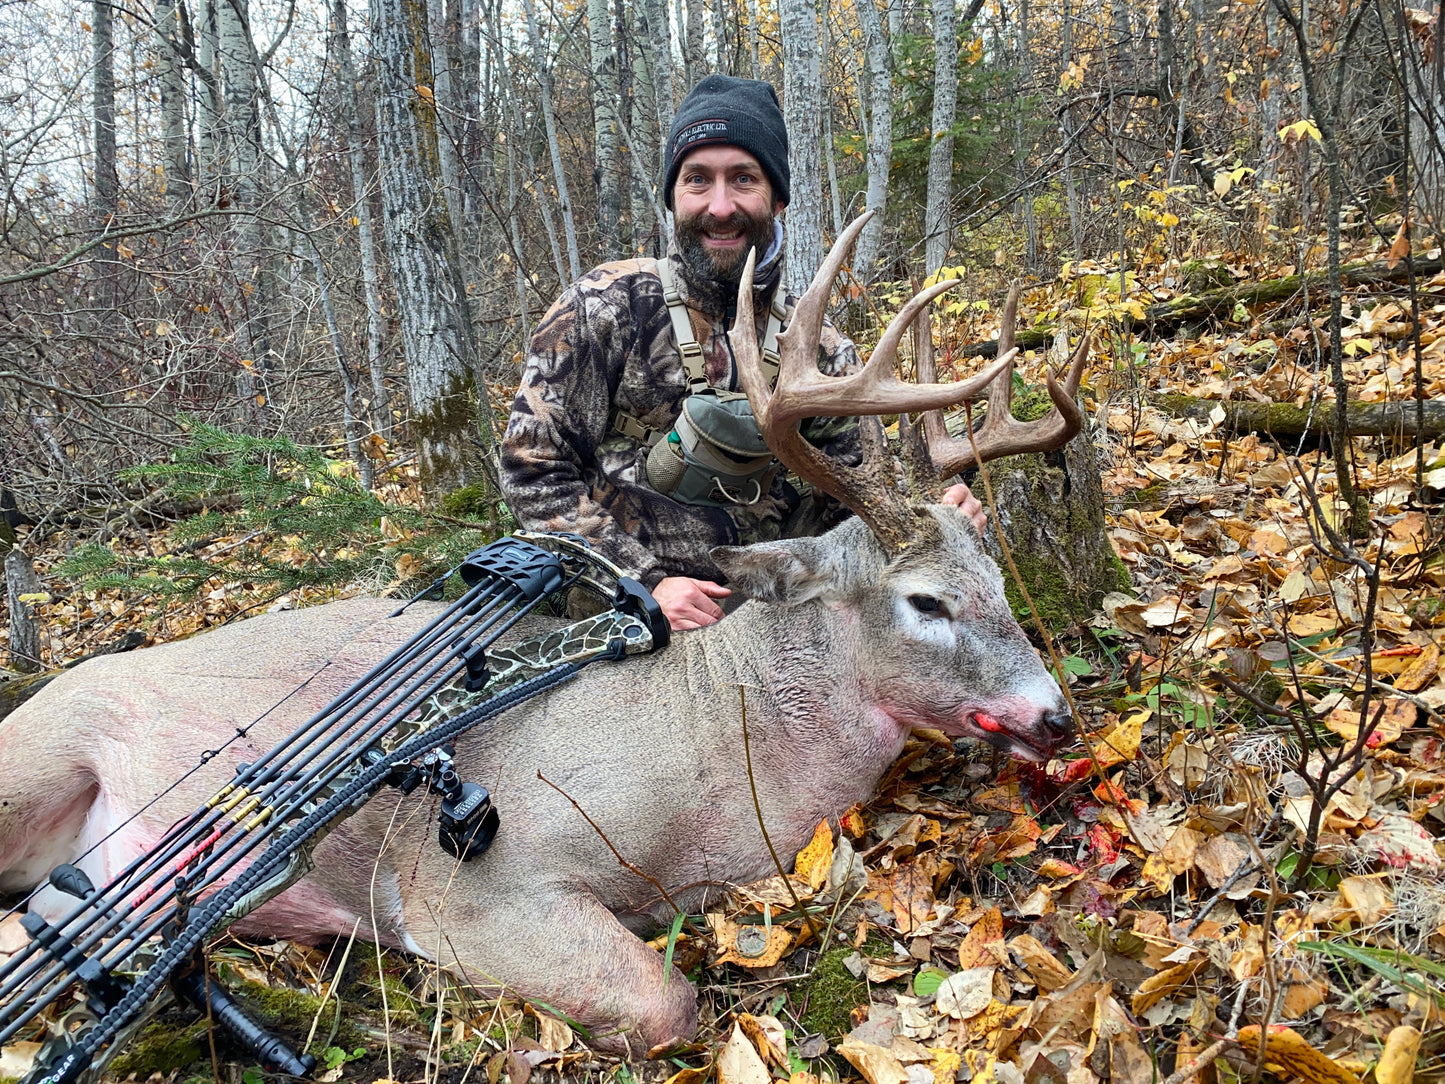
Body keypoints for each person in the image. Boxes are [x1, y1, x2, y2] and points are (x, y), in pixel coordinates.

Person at [499, 75, 982, 631]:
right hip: (632, 626)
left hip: (782, 635)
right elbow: (530, 470)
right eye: (697, 180)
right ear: (674, 197)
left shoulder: (821, 347)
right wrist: (644, 582)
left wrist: (934, 519)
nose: (720, 206)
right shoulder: (604, 307)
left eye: (743, 179)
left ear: (777, 198)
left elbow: (853, 502)